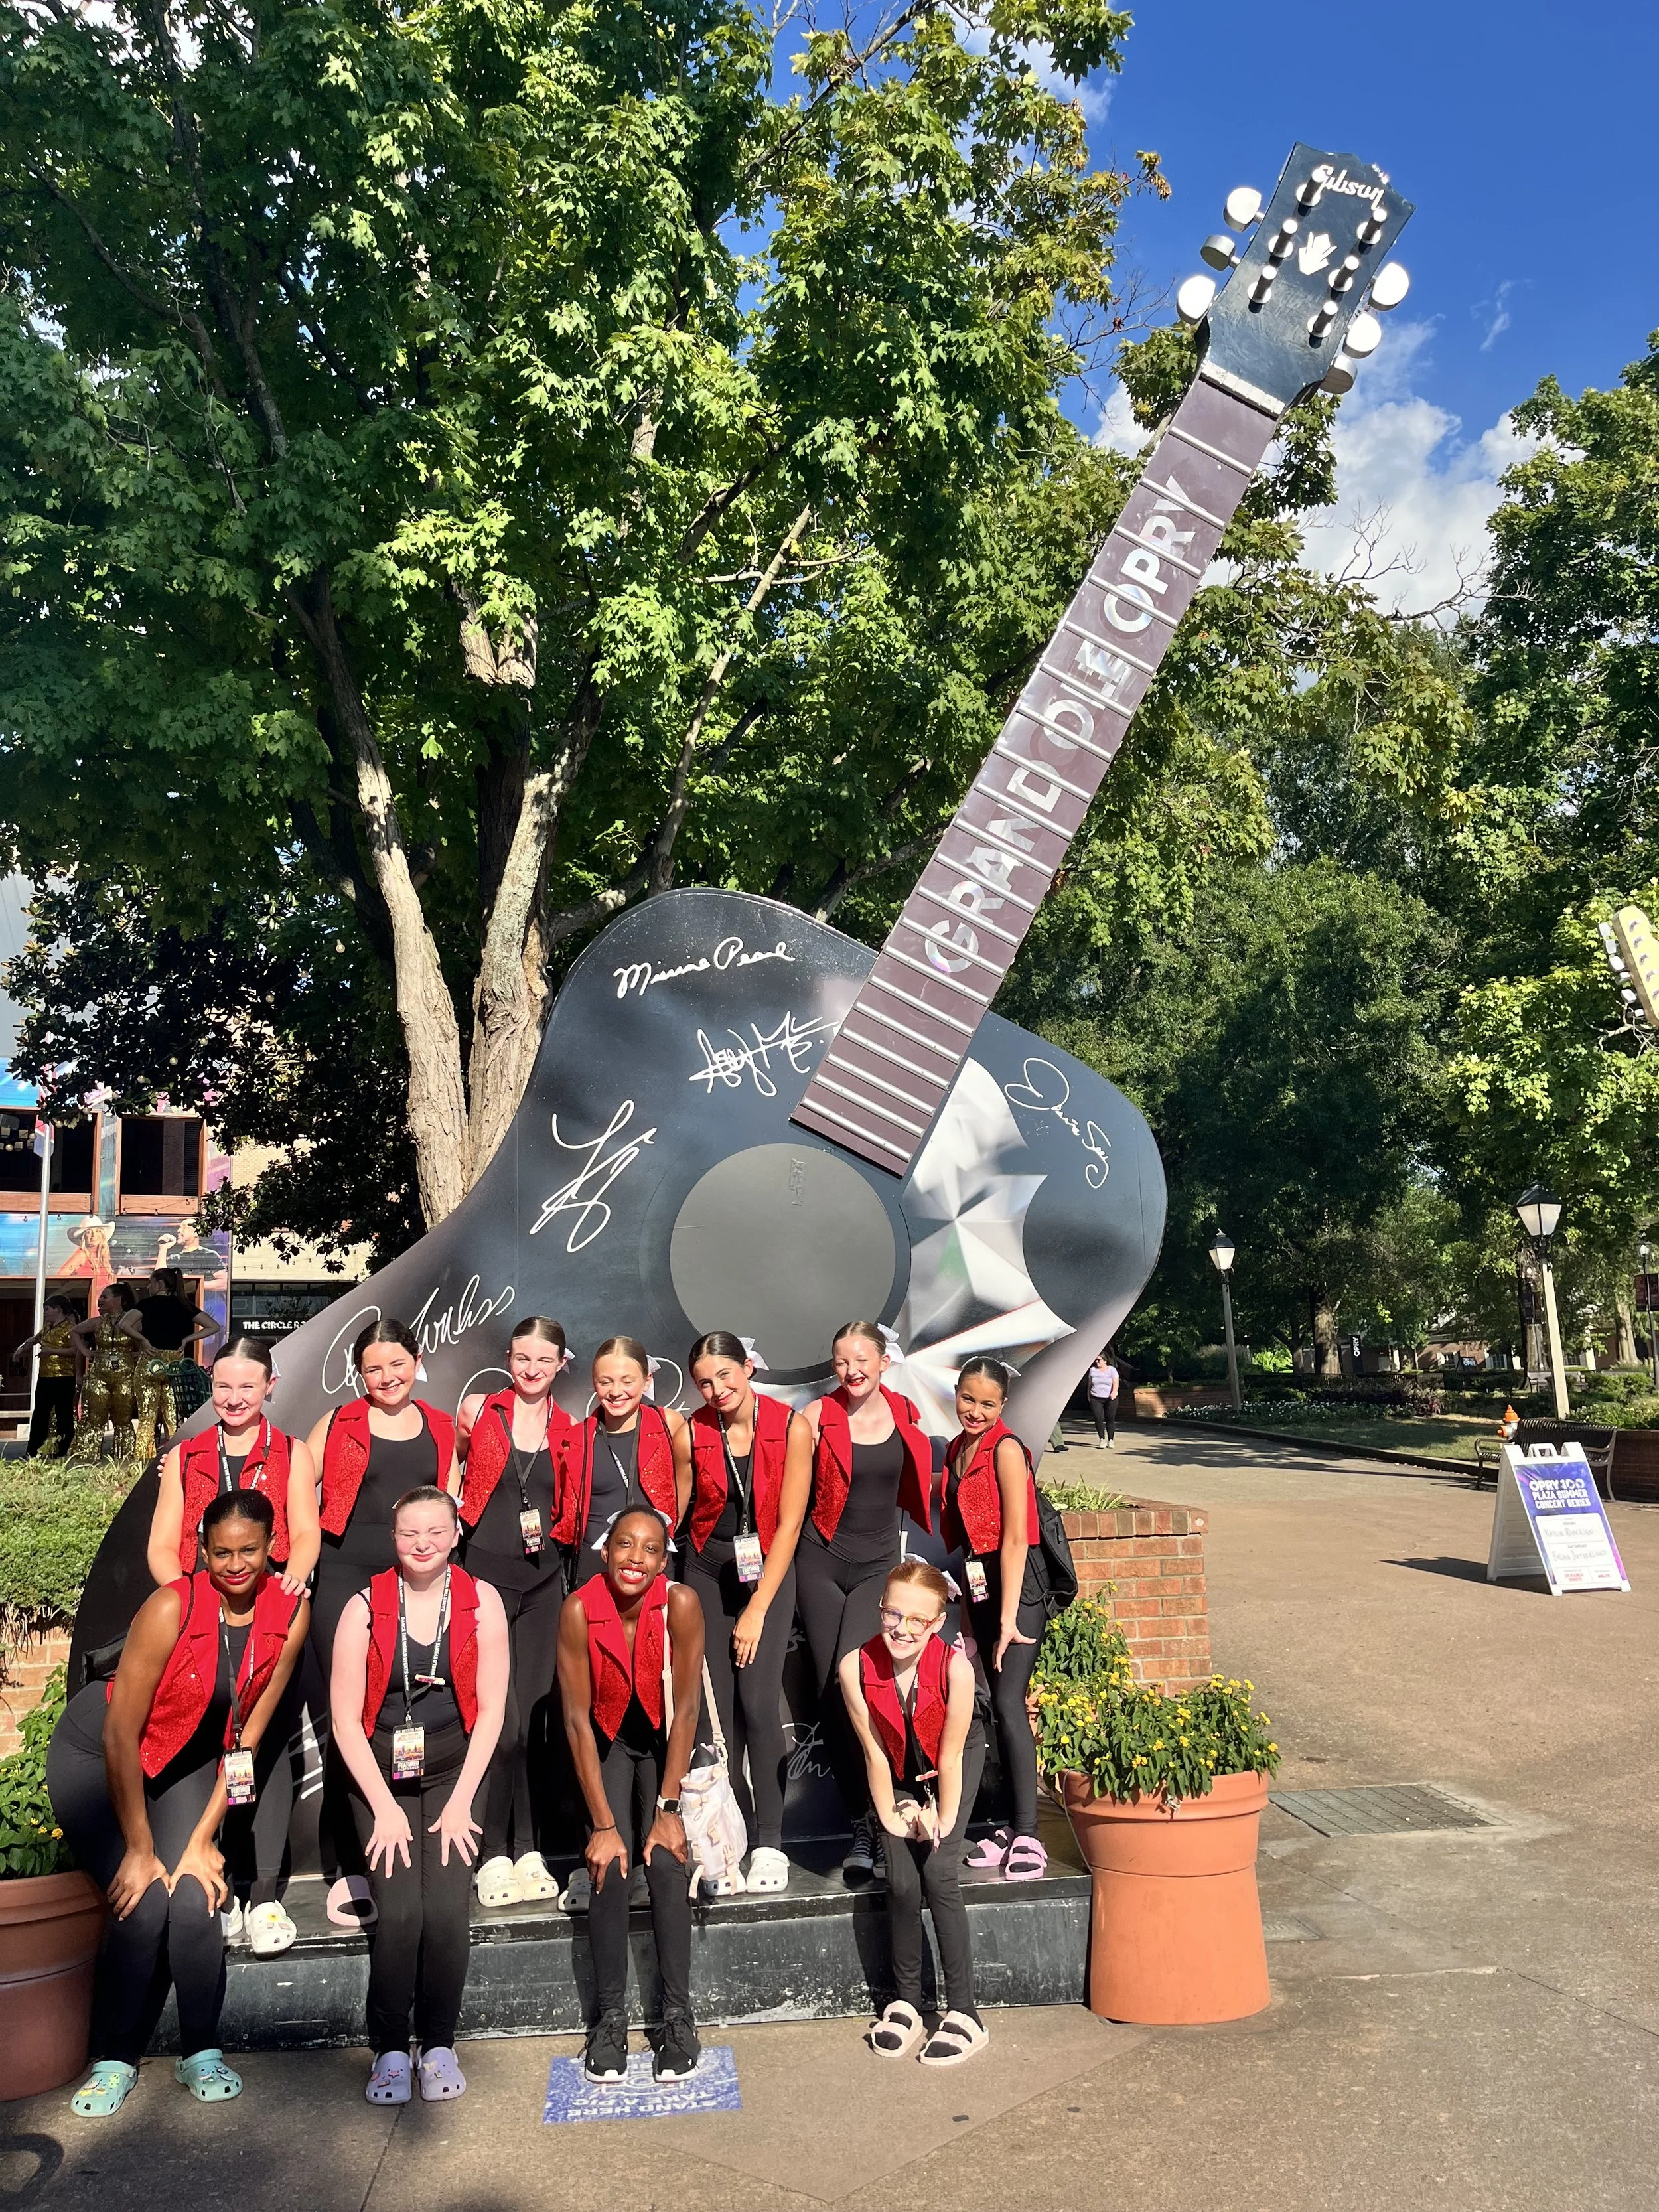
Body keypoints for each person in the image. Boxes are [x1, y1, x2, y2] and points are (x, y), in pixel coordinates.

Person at [46, 1491, 309, 2116]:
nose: (237, 1563)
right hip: (100, 1755)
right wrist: (140, 1847)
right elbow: (120, 1733)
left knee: (195, 1893)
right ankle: (113, 2060)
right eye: (222, 1552)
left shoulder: (290, 1614)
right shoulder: (172, 1605)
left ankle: (201, 2052)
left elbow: (247, 1737)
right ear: (203, 1551)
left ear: (273, 1547)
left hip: (189, 1761)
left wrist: (201, 1840)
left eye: (250, 1550)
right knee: (141, 1902)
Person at [328, 1485, 510, 2104]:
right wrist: (381, 1805)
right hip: (380, 1774)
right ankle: (387, 2048)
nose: (424, 1543)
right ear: (394, 1539)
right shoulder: (365, 1607)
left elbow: (490, 1713)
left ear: (456, 1533)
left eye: (436, 1531)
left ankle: (437, 2042)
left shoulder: (482, 1601)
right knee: (402, 1914)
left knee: (447, 1913)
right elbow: (345, 1721)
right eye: (410, 1533)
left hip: (455, 1772)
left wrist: (461, 1801)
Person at [146, 1337, 321, 1952]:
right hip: (201, 1626)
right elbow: (162, 1547)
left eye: (248, 1386)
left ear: (270, 1386)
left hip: (269, 1619)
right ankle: (213, 1880)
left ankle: (267, 1895)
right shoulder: (188, 1455)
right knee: (206, 1746)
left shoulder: (293, 1453)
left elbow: (305, 1533)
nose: (234, 1397)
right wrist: (196, 1599)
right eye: (223, 1386)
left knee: (266, 1748)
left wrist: (292, 1580)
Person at [306, 1319, 457, 1923]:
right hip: (345, 1581)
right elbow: (293, 1478)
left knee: (412, 1715)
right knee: (351, 1722)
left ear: (416, 1363)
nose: (388, 1377)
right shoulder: (339, 1423)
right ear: (359, 1373)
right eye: (374, 1368)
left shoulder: (443, 1426)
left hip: (418, 1583)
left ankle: (410, 1845)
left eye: (397, 1364)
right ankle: (351, 1863)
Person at [557, 1506, 705, 2085]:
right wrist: (602, 1823)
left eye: (648, 1549)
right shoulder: (576, 1611)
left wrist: (668, 1811)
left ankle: (677, 2016)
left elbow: (688, 1706)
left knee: (668, 1865)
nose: (635, 1558)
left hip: (666, 1737)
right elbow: (574, 1720)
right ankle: (608, 2020)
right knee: (609, 1868)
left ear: (663, 1561)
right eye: (624, 1544)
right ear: (605, 1551)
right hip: (608, 1740)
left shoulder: (682, 1603)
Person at [796, 1321, 932, 1877]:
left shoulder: (906, 1413)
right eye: (841, 1362)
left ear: (883, 1362)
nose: (851, 1371)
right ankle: (862, 1824)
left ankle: (890, 1811)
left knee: (865, 1686)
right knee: (835, 1691)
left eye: (861, 1361)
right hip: (820, 1561)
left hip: (878, 1565)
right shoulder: (815, 1416)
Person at [840, 1558, 987, 2067]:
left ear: (937, 1623)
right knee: (901, 1878)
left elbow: (949, 1756)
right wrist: (892, 1815)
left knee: (938, 1871)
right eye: (891, 1614)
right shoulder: (854, 1666)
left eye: (916, 1620)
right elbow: (874, 1753)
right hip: (898, 1769)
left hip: (952, 1762)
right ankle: (906, 2001)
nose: (901, 1628)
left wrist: (939, 1821)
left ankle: (966, 2012)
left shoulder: (956, 1667)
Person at [683, 1331, 813, 1894]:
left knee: (760, 1706)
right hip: (707, 1572)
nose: (716, 1389)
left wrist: (759, 1607)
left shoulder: (791, 1426)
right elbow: (681, 1509)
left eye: (725, 1376)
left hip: (767, 1573)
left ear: (749, 1368)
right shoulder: (692, 1429)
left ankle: (769, 1843)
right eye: (704, 1381)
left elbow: (789, 1524)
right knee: (716, 1721)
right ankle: (722, 1842)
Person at [455, 1315, 573, 1908]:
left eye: (544, 1360)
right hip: (484, 1580)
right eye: (522, 1357)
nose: (531, 1369)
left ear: (561, 1364)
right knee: (493, 1721)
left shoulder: (570, 1428)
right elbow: (450, 1472)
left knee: (531, 1723)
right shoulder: (480, 1411)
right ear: (509, 1356)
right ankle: (490, 1850)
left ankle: (527, 1846)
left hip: (544, 1584)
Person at [944, 1358, 1047, 1881]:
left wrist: (1008, 1618)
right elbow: (966, 1545)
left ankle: (1029, 1831)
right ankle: (1010, 1822)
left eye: (988, 1403)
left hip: (1018, 1592)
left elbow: (1014, 1537)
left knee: (1009, 1702)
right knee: (992, 1708)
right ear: (956, 1394)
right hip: (981, 1592)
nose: (975, 1410)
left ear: (1003, 1405)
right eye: (968, 1398)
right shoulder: (956, 1451)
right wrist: (968, 1619)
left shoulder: (1007, 1450)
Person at [553, 1336, 691, 1576]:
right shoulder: (577, 1438)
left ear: (647, 1381)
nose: (616, 1392)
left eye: (627, 1381)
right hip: (594, 1567)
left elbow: (683, 1487)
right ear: (594, 1383)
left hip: (650, 1565)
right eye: (605, 1382)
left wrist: (660, 1537)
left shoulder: (670, 1424)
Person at [134, 1266, 223, 1449]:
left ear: (159, 1284)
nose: (148, 1287)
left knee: (147, 1415)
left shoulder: (146, 1305)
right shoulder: (184, 1305)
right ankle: (176, 1452)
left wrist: (143, 1340)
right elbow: (214, 1326)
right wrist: (187, 1339)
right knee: (172, 1413)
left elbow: (124, 1324)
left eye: (151, 1282)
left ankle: (144, 1456)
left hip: (151, 1361)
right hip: (175, 1365)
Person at [67, 1283, 148, 1462]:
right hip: (99, 1375)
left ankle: (124, 1457)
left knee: (123, 1419)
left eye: (105, 1296)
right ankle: (88, 1457)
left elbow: (144, 1341)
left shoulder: (133, 1320)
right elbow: (74, 1331)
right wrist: (86, 1352)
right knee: (95, 1417)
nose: (100, 1300)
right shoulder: (97, 1322)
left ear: (118, 1300)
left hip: (125, 1375)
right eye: (101, 1297)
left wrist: (139, 1353)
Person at [12, 1295, 82, 1455]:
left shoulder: (71, 1329)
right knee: (39, 1416)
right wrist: (22, 1347)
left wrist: (52, 1351)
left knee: (63, 1416)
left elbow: (76, 1351)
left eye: (48, 1309)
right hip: (45, 1379)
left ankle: (61, 1450)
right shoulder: (47, 1327)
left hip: (64, 1379)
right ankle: (32, 1451)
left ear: (59, 1310)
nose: (45, 1313)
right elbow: (36, 1339)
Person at [1088, 1349, 1119, 1447]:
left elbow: (1115, 1382)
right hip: (1096, 1398)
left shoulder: (1112, 1370)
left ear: (1105, 1361)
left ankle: (1111, 1440)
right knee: (1098, 1418)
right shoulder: (1092, 1371)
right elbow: (1090, 1384)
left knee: (1110, 1418)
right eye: (1096, 1360)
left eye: (1099, 1360)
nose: (1097, 1362)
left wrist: (1114, 1392)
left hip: (1110, 1398)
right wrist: (1088, 1395)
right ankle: (1102, 1439)